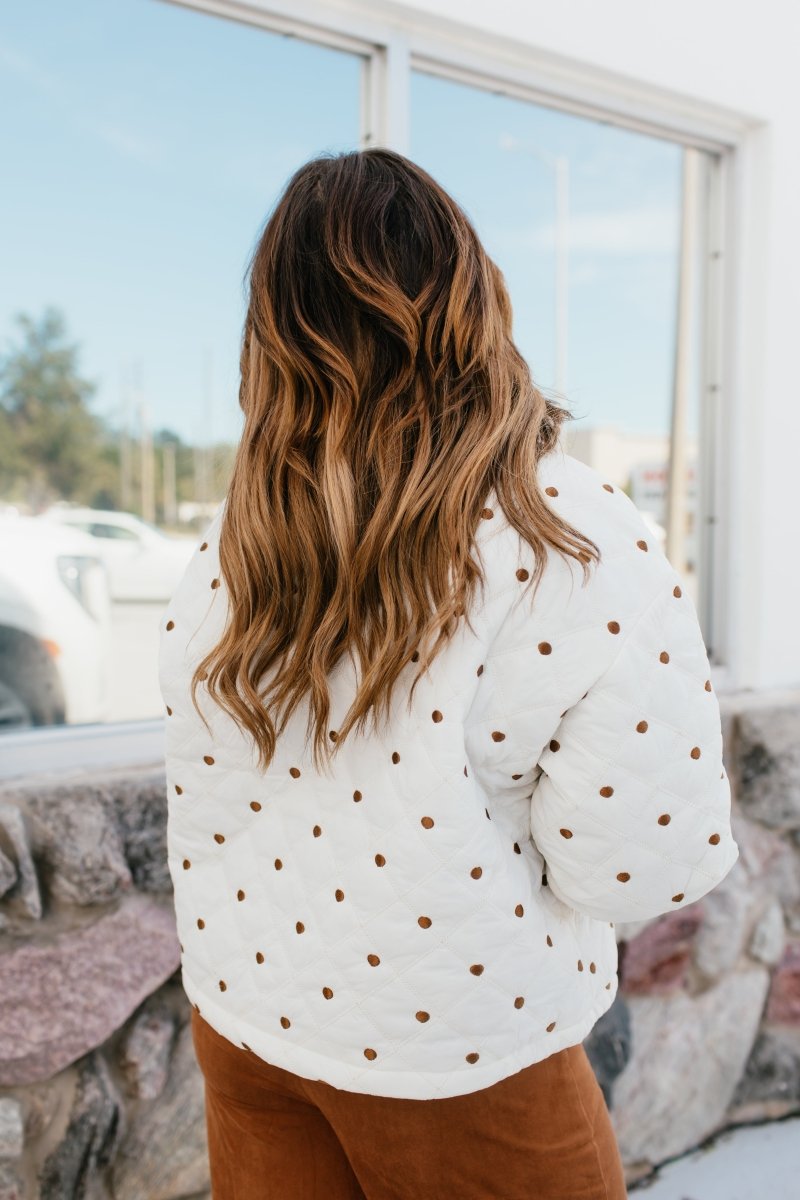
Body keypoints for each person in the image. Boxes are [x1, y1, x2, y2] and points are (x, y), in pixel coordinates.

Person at [157, 147, 739, 1199]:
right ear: (471, 301)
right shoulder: (560, 530)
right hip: (458, 1057)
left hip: (249, 1024)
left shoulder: (238, 543)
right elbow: (637, 867)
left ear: (275, 333)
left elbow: (213, 798)